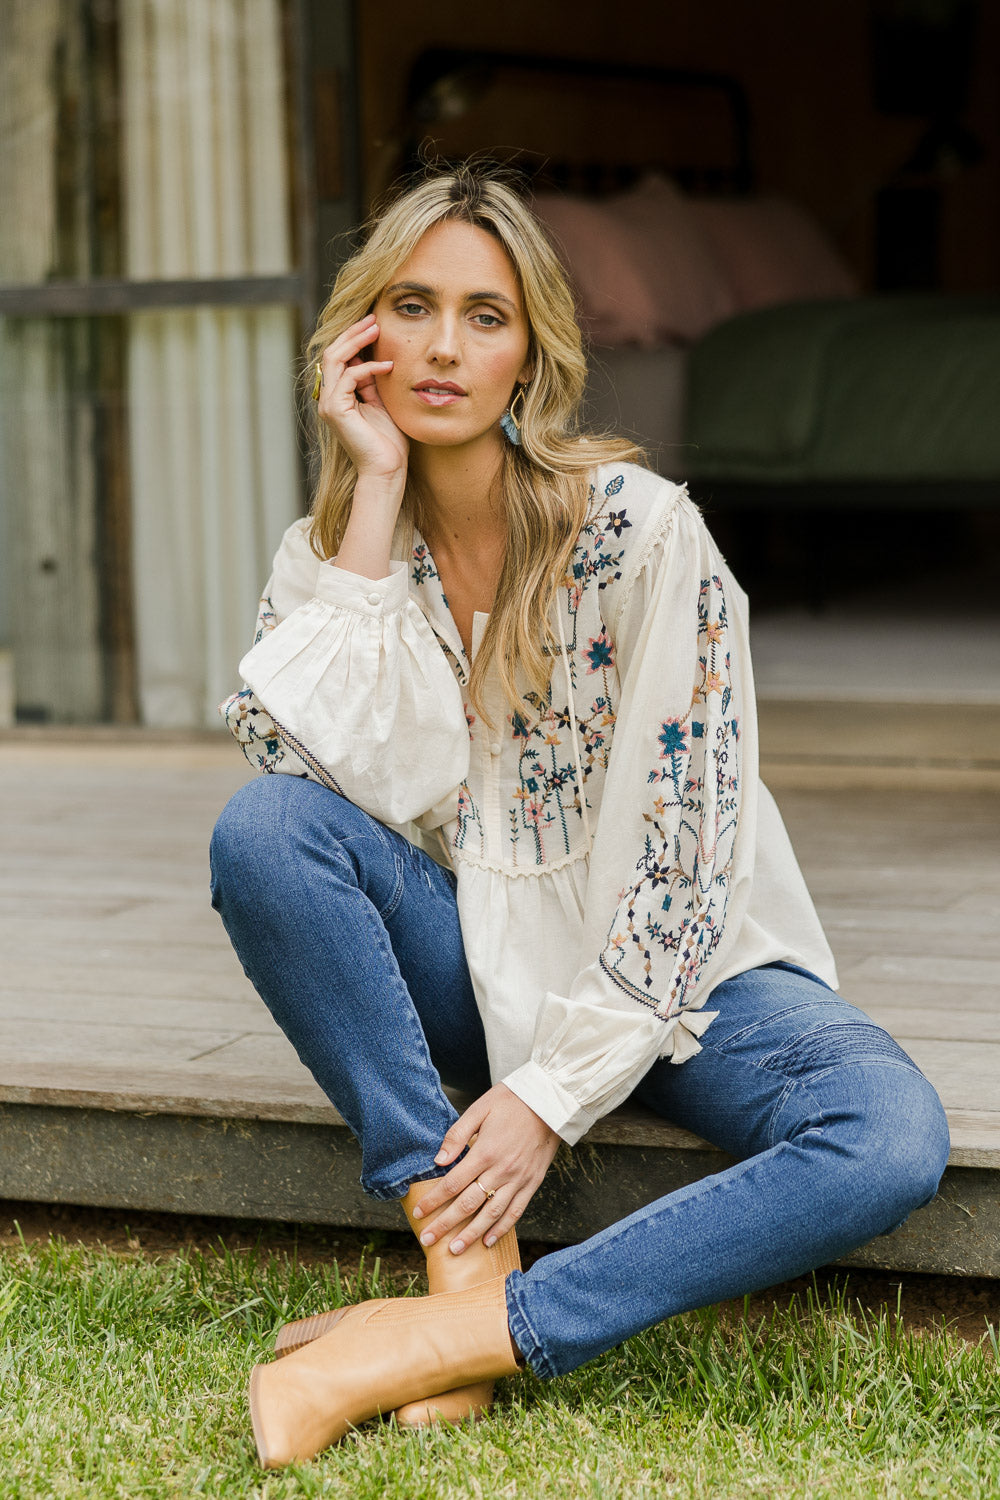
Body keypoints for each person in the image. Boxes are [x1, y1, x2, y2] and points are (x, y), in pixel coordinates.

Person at [209, 161, 950, 1468]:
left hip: (690, 983)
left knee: (888, 1133)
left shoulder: (645, 538)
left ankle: (459, 1333)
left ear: (532, 354)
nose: (445, 347)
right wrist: (371, 491)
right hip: (480, 963)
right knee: (261, 832)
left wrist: (548, 1098)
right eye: (413, 307)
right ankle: (456, 1231)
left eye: (485, 316)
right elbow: (299, 776)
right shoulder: (331, 560)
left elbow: (688, 863)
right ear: (361, 336)